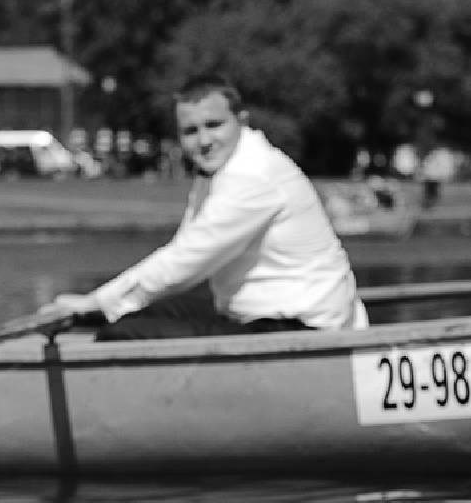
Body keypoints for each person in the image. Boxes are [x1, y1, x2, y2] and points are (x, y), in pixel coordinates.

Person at [47, 76, 364, 340]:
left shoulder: (253, 176)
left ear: (241, 121)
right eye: (190, 131)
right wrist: (101, 307)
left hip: (305, 330)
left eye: (214, 125)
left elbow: (185, 262)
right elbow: (182, 251)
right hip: (261, 318)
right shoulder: (218, 171)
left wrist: (94, 302)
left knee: (125, 334)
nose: (203, 140)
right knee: (132, 316)